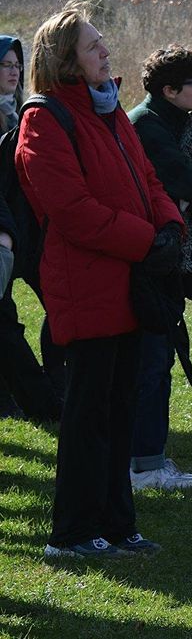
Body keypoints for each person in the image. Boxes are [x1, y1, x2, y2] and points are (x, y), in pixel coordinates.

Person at [17, 2, 183, 557]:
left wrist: (170, 226)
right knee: (87, 417)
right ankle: (71, 534)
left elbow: (149, 179)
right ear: (66, 59)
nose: (105, 52)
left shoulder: (109, 111)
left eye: (103, 42)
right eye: (93, 46)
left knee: (119, 410)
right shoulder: (44, 119)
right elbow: (72, 210)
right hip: (86, 288)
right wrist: (145, 241)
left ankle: (116, 526)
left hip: (129, 285)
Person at [127, 47, 192, 491]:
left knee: (155, 359)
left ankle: (145, 456)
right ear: (168, 90)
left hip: (162, 255)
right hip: (150, 260)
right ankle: (145, 464)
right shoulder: (149, 125)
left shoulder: (175, 121)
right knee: (152, 360)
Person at [0, 35, 60, 423]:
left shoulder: (23, 113)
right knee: (4, 325)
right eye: (5, 64)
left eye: (16, 64)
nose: (14, 70)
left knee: (60, 305)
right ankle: (35, 402)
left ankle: (56, 387)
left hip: (31, 232)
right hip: (3, 234)